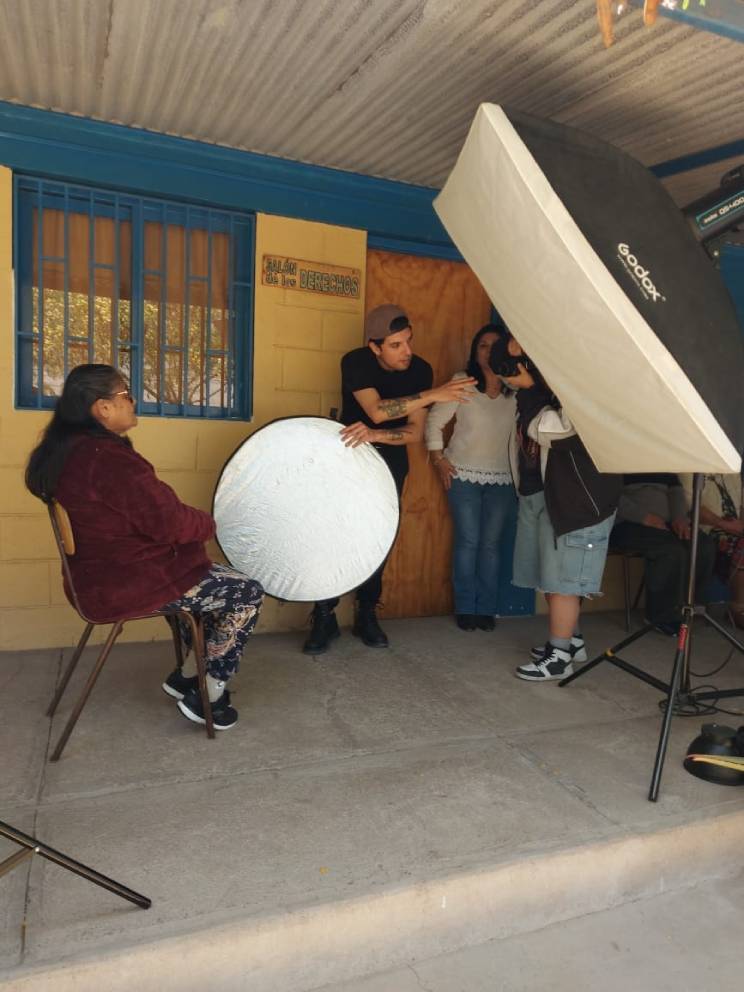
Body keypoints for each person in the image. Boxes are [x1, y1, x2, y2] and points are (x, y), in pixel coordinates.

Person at [25, 364, 264, 730]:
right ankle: (209, 694)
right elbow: (169, 523)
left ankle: (187, 675)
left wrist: (190, 526)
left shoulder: (67, 451)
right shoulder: (107, 460)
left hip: (96, 576)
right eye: (126, 394)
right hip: (126, 583)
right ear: (102, 407)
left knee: (206, 579)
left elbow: (150, 516)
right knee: (246, 591)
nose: (133, 401)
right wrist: (209, 523)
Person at [303, 304, 476, 655]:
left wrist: (376, 436)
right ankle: (324, 615)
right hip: (347, 463)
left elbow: (413, 433)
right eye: (396, 345)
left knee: (378, 539)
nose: (407, 352)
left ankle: (367, 613)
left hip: (389, 465)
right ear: (375, 346)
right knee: (334, 535)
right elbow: (378, 411)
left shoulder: (420, 370)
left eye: (408, 341)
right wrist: (433, 395)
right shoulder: (356, 362)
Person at [499, 336, 622, 681]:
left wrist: (529, 389)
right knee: (554, 578)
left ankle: (558, 657)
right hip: (557, 496)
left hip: (582, 503)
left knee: (565, 583)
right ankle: (571, 641)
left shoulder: (596, 391)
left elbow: (552, 430)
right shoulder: (562, 386)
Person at [425, 324, 517, 631]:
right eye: (482, 346)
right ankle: (466, 607)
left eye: (495, 345)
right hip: (462, 475)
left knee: (490, 545)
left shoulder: (516, 387)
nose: (489, 352)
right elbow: (434, 423)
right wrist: (438, 460)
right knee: (468, 541)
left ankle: (486, 609)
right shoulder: (461, 383)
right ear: (474, 352)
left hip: (504, 479)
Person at [612, 474, 716, 635]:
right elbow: (609, 497)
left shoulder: (661, 460)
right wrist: (644, 517)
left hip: (665, 524)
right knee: (671, 551)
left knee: (703, 545)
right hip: (628, 523)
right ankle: (661, 616)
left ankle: (689, 606)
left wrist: (679, 518)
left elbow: (675, 492)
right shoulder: (615, 461)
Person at [681, 473, 744, 628]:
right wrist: (725, 524)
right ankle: (739, 608)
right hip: (706, 529)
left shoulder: (731, 472)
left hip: (735, 527)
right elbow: (691, 507)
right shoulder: (689, 470)